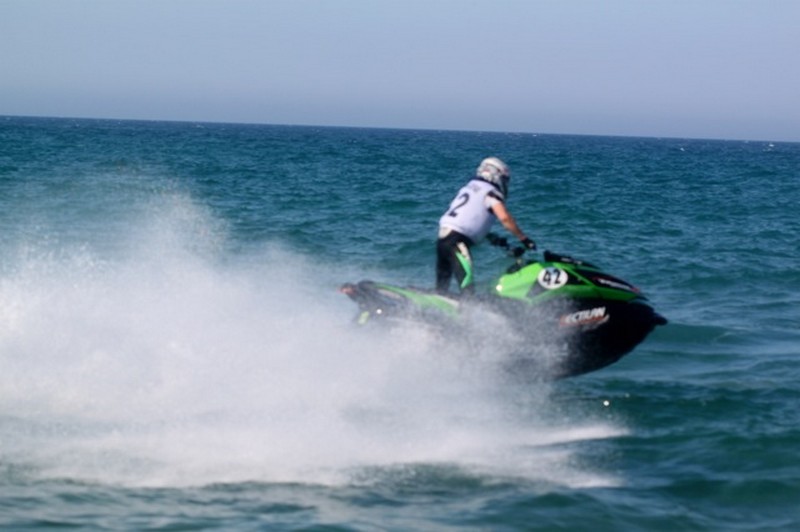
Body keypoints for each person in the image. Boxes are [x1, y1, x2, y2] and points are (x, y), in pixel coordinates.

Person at [436, 156, 536, 294]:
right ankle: (468, 306)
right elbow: (505, 219)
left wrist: (494, 239)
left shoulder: (470, 187)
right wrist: (524, 239)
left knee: (442, 286)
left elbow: (469, 221)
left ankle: (434, 302)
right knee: (467, 287)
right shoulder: (491, 193)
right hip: (457, 242)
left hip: (443, 237)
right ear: (496, 175)